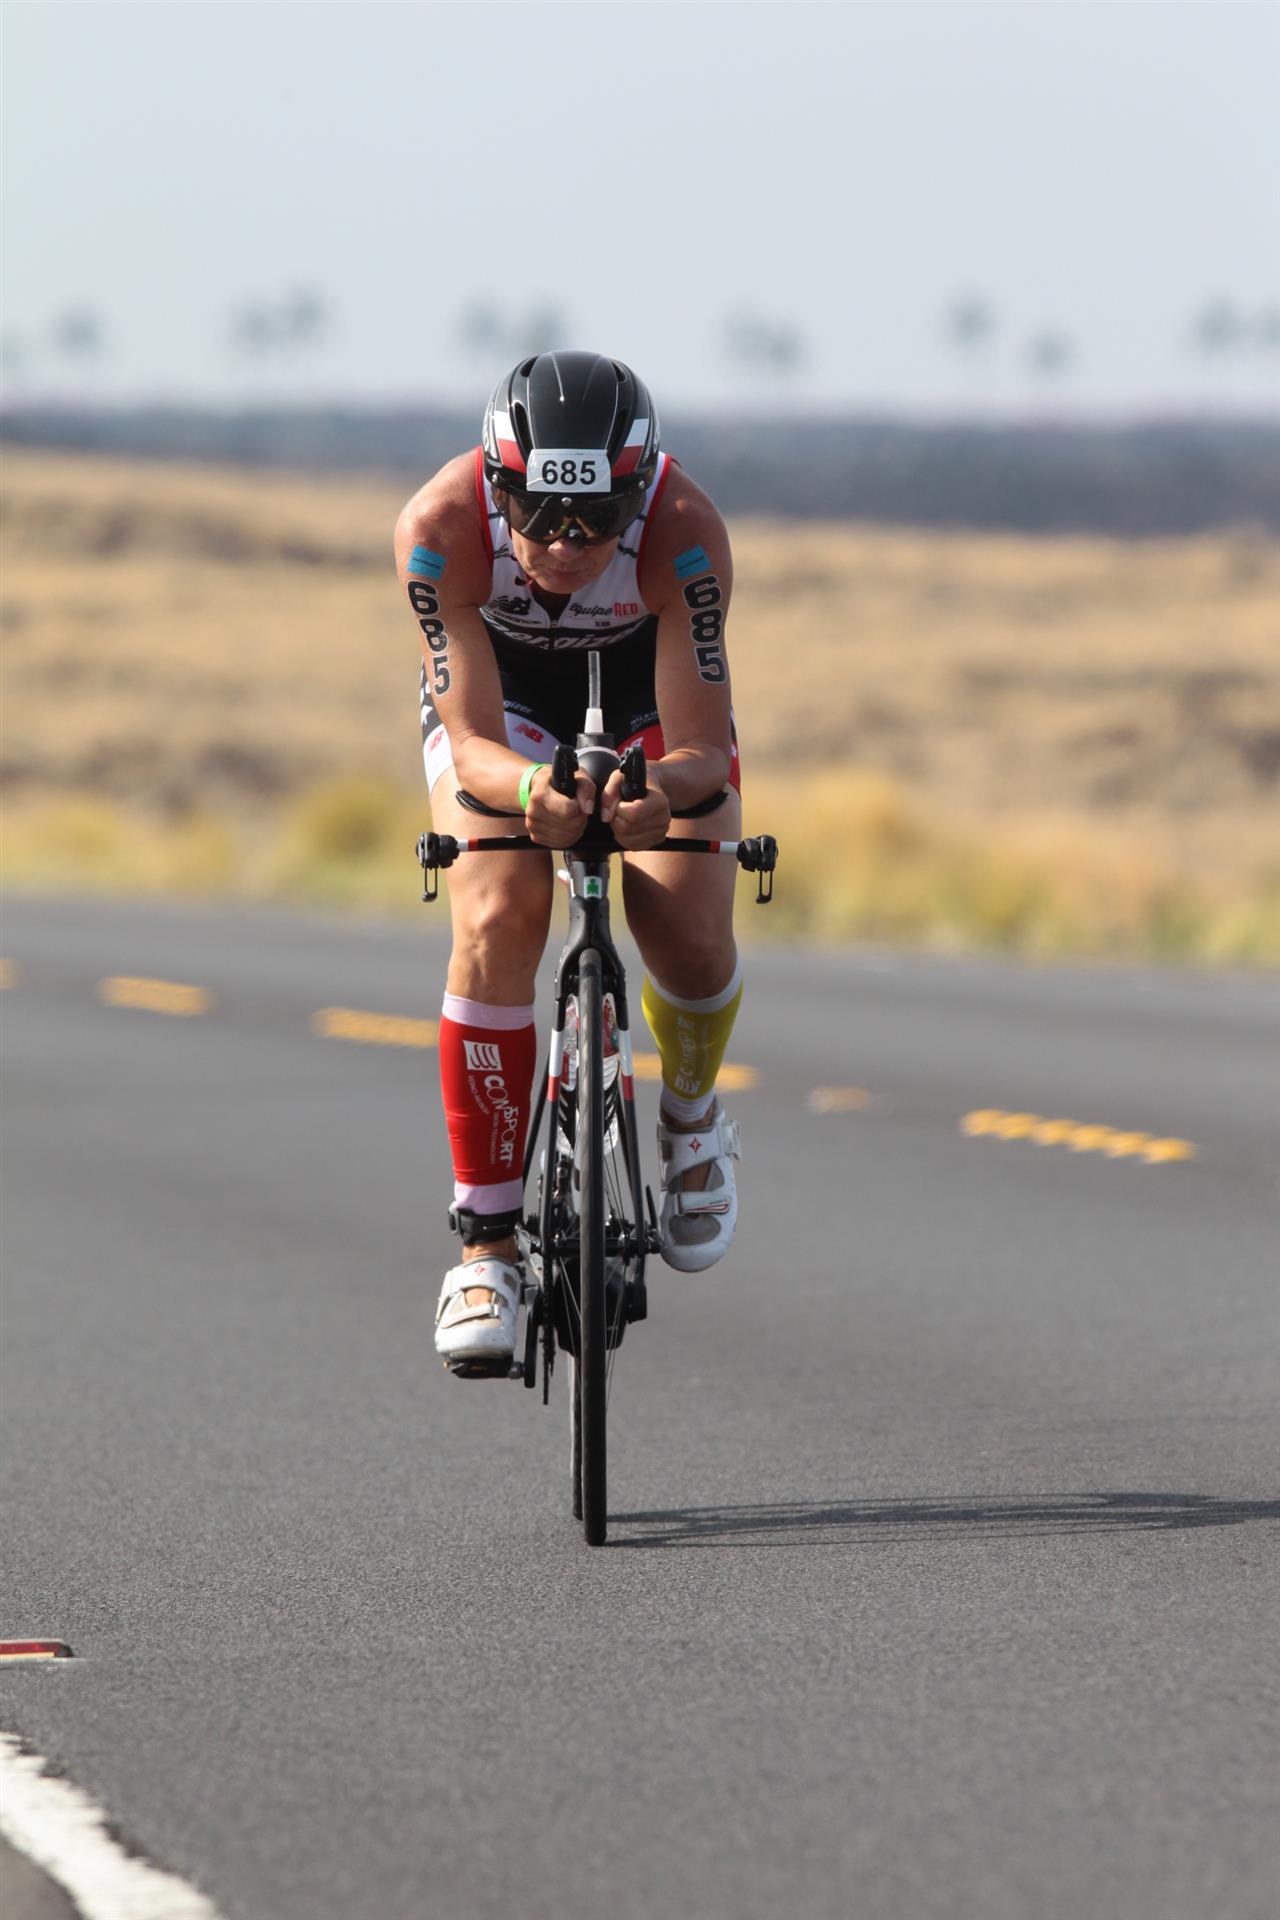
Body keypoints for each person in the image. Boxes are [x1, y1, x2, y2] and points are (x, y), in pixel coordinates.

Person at [395, 351, 746, 1368]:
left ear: (636, 495)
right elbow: (469, 743)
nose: (562, 543)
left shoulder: (684, 529)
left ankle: (691, 1120)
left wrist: (655, 794)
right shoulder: (438, 528)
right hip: (502, 713)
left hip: (646, 704)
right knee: (497, 916)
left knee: (685, 929)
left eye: (595, 520)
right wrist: (526, 797)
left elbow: (701, 750)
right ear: (496, 485)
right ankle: (486, 1251)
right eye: (536, 514)